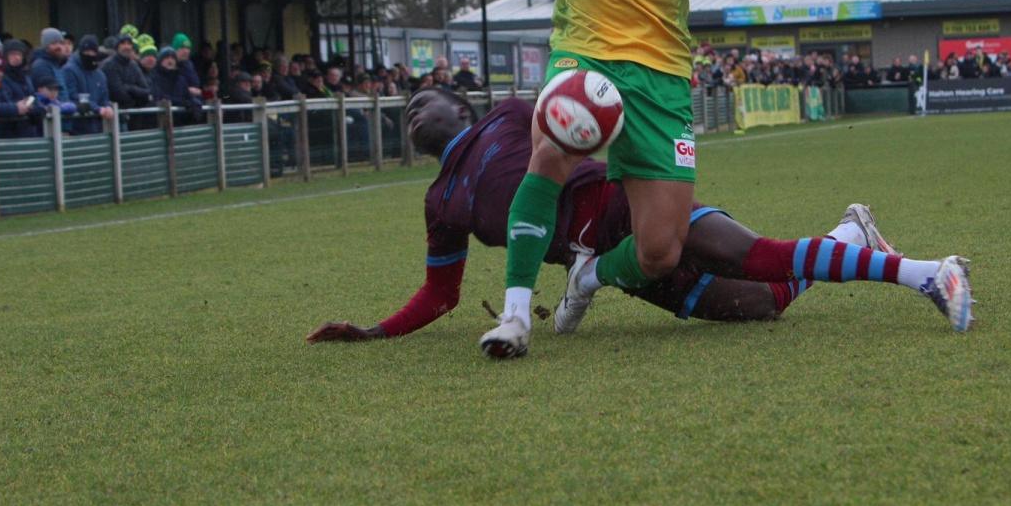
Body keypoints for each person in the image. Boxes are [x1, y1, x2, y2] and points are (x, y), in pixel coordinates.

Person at [345, 0, 860, 359]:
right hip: (584, 57)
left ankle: (588, 276)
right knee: (550, 149)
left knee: (660, 250)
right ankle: (516, 315)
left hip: (660, 79)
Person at [306, 90, 972, 345]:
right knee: (760, 305)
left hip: (629, 203)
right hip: (605, 265)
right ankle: (849, 232)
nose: (416, 111)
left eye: (426, 99)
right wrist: (373, 331)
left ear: (461, 105)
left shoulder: (513, 113)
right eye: (408, 113)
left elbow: (592, 114)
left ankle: (925, 274)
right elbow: (440, 292)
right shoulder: (439, 202)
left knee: (751, 251)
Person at [61, 35, 114, 135]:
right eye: (86, 52)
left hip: (97, 127)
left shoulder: (100, 74)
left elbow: (104, 97)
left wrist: (108, 107)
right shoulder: (69, 70)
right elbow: (72, 96)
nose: (90, 55)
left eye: (93, 52)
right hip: (76, 128)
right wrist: (97, 109)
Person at [102, 34, 152, 116]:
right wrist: (135, 99)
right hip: (115, 115)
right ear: (117, 47)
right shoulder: (109, 65)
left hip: (132, 114)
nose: (127, 47)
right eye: (123, 44)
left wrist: (130, 88)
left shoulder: (133, 65)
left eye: (129, 44)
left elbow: (146, 92)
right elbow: (118, 94)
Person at [29, 28, 69, 96]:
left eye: (61, 43)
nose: (58, 46)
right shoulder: (41, 66)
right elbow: (47, 96)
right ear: (46, 46)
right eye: (54, 43)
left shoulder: (57, 64)